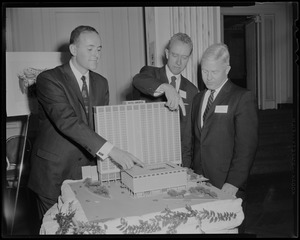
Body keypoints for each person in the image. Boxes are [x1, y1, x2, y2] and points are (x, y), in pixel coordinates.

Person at [27, 25, 143, 222]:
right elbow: (68, 122)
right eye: (90, 49)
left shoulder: (101, 82)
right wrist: (113, 151)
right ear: (73, 50)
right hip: (53, 173)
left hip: (85, 174)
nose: (96, 54)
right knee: (55, 227)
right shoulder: (48, 79)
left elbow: (100, 125)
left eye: (99, 49)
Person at [182, 43, 258, 232]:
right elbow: (194, 140)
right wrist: (189, 172)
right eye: (204, 71)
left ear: (227, 69)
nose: (207, 77)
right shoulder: (198, 98)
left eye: (213, 72)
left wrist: (233, 182)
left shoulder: (241, 97)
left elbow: (246, 147)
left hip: (227, 183)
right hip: (200, 182)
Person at [132, 33, 199, 163]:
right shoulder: (150, 73)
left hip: (178, 159)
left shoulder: (192, 90)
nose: (179, 62)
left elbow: (187, 135)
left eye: (184, 57)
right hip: (149, 156)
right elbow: (138, 80)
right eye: (175, 55)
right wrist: (166, 87)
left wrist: (185, 165)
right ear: (167, 54)